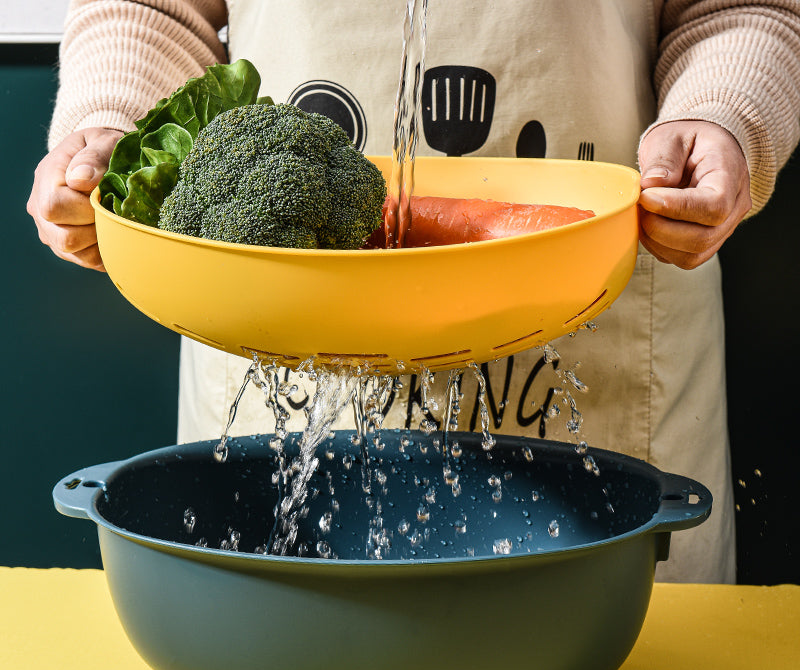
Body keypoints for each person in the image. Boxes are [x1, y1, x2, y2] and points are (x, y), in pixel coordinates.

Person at [28, 0, 800, 582]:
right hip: (282, 345)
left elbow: (742, 6)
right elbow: (153, 7)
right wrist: (115, 134)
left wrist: (722, 117)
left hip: (605, 359)